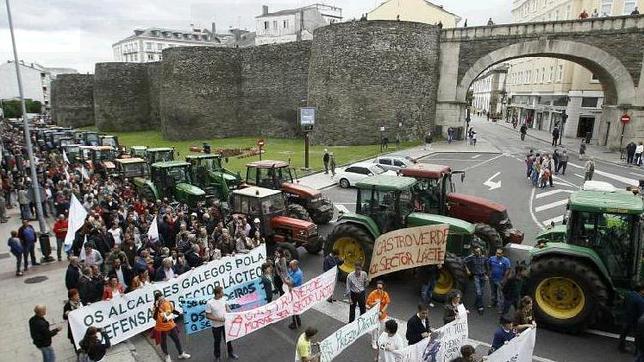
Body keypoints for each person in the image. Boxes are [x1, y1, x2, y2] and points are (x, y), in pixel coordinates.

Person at [153, 291, 191, 362]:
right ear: (157, 301)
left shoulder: (167, 303)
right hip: (161, 328)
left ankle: (181, 353)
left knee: (177, 339)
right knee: (163, 343)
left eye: (163, 299)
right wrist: (158, 308)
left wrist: (179, 313)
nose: (163, 301)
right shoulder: (155, 308)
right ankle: (167, 356)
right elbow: (155, 317)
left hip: (171, 326)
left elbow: (171, 310)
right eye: (161, 300)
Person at [206, 286, 238, 361]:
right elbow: (207, 315)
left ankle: (230, 353)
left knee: (228, 339)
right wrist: (219, 319)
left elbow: (227, 308)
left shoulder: (224, 299)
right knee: (217, 341)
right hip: (216, 326)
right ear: (217, 294)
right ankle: (217, 356)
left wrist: (233, 314)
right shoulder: (210, 303)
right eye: (222, 292)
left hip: (225, 324)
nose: (223, 293)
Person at [618, 284, 644, 353]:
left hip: (626, 318)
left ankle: (621, 347)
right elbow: (641, 313)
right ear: (641, 290)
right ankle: (637, 351)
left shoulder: (628, 295)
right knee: (637, 336)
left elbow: (623, 304)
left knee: (623, 333)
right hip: (635, 321)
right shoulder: (640, 300)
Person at [367, 280, 391, 349]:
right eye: (377, 287)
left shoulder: (385, 294)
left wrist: (382, 311)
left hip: (382, 315)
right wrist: (375, 303)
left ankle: (379, 340)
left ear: (383, 288)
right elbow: (368, 303)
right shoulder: (373, 293)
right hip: (375, 315)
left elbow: (387, 303)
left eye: (380, 288)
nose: (378, 289)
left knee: (383, 329)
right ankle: (373, 342)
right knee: (375, 329)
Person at [464, 246, 488, 314]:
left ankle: (476, 303)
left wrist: (487, 275)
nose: (478, 253)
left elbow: (486, 266)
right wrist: (467, 270)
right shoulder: (472, 257)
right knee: (478, 291)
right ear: (474, 252)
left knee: (481, 292)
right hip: (476, 276)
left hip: (483, 276)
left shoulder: (484, 258)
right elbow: (464, 261)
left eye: (479, 251)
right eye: (476, 252)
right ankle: (480, 307)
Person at [488, 248, 511, 313]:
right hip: (492, 278)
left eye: (499, 253)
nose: (498, 254)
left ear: (503, 254)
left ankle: (501, 308)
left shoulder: (506, 261)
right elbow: (488, 264)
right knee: (493, 291)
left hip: (500, 280)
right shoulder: (492, 258)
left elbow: (508, 270)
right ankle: (493, 302)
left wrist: (504, 279)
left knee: (501, 294)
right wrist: (489, 272)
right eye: (497, 253)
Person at [63, 289, 83, 358]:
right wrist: (66, 314)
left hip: (82, 325)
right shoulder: (67, 306)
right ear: (71, 297)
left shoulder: (81, 301)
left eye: (78, 294)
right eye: (76, 295)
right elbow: (64, 317)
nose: (78, 296)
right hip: (74, 328)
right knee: (77, 345)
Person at [287, 260, 304, 329]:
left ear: (296, 266)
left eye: (292, 266)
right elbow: (289, 274)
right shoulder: (294, 271)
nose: (290, 268)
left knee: (294, 308)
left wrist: (286, 281)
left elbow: (292, 283)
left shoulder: (298, 273)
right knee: (294, 307)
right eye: (290, 266)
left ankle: (296, 323)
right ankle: (297, 321)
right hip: (293, 291)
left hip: (296, 293)